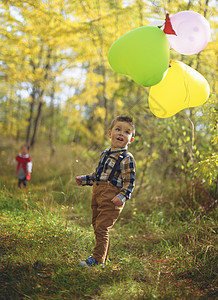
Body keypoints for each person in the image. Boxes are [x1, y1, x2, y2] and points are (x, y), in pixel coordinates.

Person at [76, 115, 136, 267]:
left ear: (131, 139)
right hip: (97, 194)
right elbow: (98, 176)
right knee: (97, 224)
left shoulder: (127, 158)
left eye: (127, 132)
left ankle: (96, 260)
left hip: (112, 197)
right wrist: (84, 180)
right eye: (118, 129)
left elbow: (130, 182)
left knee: (102, 227)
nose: (121, 133)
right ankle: (104, 258)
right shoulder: (104, 154)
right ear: (110, 133)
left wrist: (122, 196)